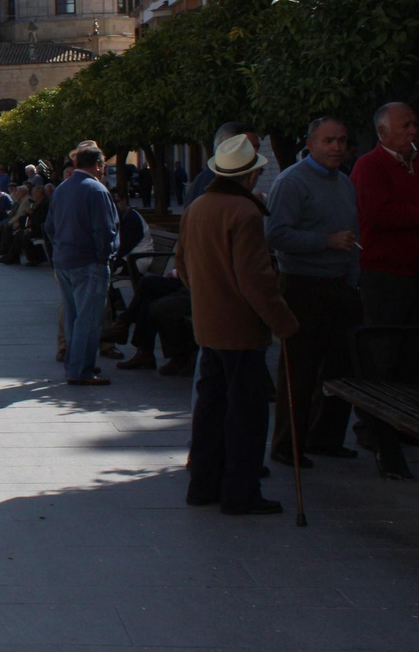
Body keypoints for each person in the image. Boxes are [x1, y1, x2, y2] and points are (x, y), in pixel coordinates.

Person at [177, 135, 299, 514]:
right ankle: (239, 493)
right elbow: (256, 280)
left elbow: (182, 264)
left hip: (208, 325)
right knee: (245, 414)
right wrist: (285, 324)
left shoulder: (198, 206)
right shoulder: (244, 214)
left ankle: (203, 485)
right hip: (241, 330)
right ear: (250, 176)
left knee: (210, 409)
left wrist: (207, 295)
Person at [265, 116, 362, 471]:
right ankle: (288, 445)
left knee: (341, 367)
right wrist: (325, 241)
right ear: (311, 143)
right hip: (302, 284)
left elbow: (353, 233)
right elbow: (275, 235)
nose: (336, 147)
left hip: (340, 285)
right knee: (300, 370)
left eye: (342, 140)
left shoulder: (344, 182)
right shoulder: (291, 181)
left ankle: (327, 438)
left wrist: (352, 275)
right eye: (328, 141)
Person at [348, 102, 419, 479]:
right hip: (384, 275)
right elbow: (379, 214)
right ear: (383, 132)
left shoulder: (414, 162)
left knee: (410, 354)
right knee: (382, 354)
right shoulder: (370, 166)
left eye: (414, 124)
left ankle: (403, 424)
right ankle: (375, 430)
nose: (413, 131)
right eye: (405, 125)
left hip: (413, 273)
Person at [45, 145, 118, 386]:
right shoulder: (97, 190)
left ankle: (75, 364)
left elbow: (49, 226)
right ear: (98, 165)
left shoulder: (62, 188)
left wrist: (61, 248)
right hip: (88, 263)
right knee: (88, 319)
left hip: (65, 261)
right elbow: (105, 231)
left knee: (73, 317)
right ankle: (80, 370)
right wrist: (103, 256)